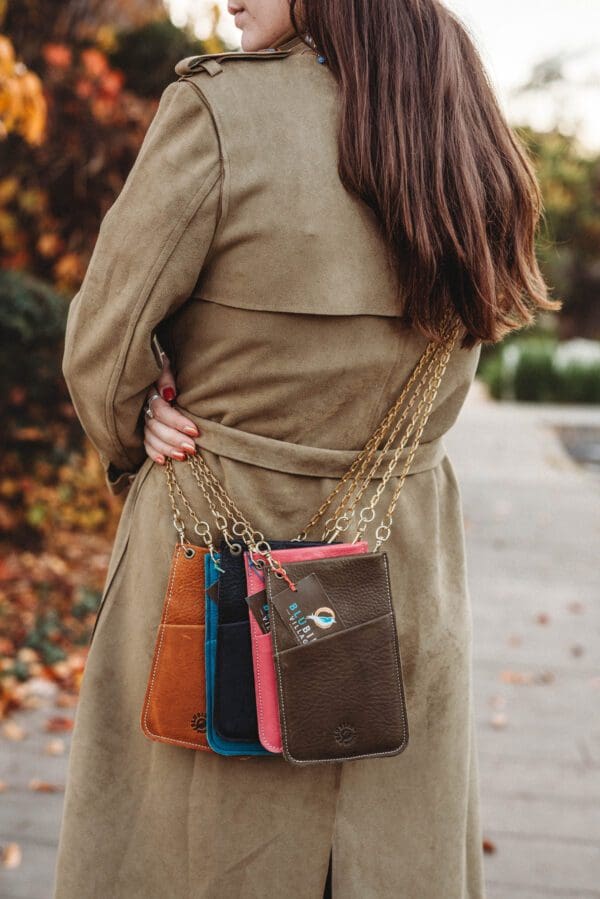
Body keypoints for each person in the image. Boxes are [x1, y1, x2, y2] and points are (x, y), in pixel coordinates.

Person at [53, 1, 557, 897]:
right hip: (398, 564)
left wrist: (134, 420)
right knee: (388, 848)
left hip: (210, 554)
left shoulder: (218, 113)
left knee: (188, 851)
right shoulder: (465, 130)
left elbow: (103, 343)